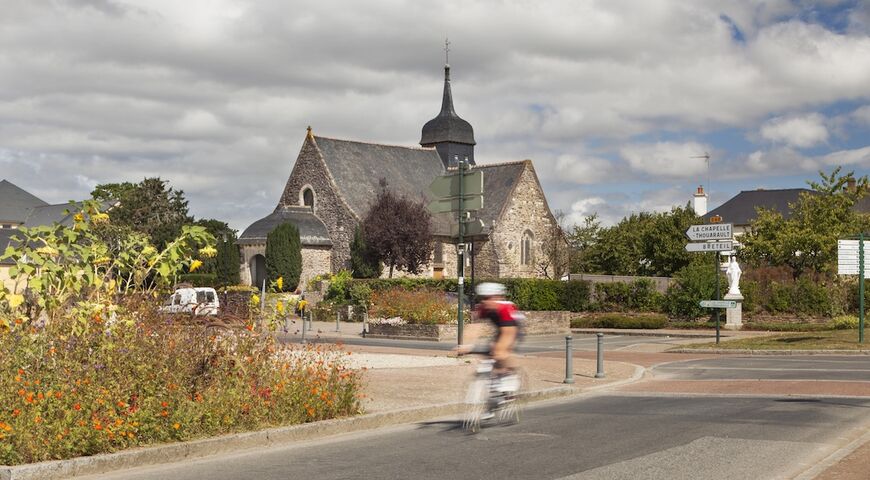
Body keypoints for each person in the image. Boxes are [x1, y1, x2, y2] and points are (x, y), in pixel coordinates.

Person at [456, 282, 523, 390]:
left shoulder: (506, 309)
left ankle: (510, 377)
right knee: (487, 354)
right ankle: (496, 377)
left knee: (500, 351)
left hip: (513, 328)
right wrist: (466, 345)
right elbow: (474, 327)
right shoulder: (483, 308)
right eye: (482, 298)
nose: (485, 301)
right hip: (500, 329)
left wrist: (500, 349)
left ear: (498, 297)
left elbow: (508, 333)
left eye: (488, 298)